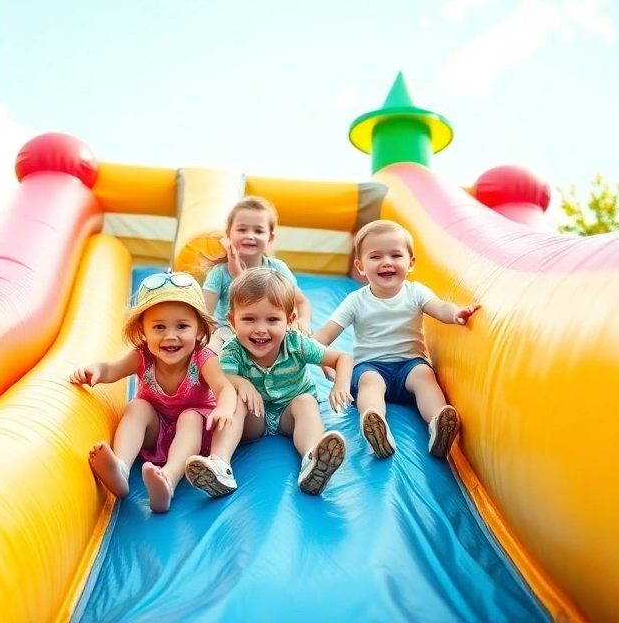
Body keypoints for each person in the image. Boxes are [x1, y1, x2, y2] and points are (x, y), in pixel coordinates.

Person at [69, 271, 237, 513]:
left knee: (190, 416)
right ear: (143, 330)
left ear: (199, 330)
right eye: (159, 327)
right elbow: (111, 369)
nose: (170, 336)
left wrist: (224, 407)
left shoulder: (202, 358)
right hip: (156, 432)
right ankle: (121, 468)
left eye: (182, 326)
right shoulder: (142, 356)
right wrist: (95, 370)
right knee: (137, 406)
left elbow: (225, 388)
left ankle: (168, 479)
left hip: (193, 437)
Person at [315, 220, 480, 460]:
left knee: (425, 376)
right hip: (370, 366)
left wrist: (455, 314)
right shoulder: (356, 300)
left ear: (410, 262)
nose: (387, 262)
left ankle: (438, 423)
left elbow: (440, 308)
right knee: (370, 383)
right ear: (361, 266)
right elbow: (324, 336)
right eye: (376, 257)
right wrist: (311, 353)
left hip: (409, 365)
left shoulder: (416, 292)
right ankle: (375, 426)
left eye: (396, 255)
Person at [184, 266, 350, 497]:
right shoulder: (233, 350)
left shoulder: (297, 343)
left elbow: (343, 358)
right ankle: (219, 464)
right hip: (255, 418)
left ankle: (313, 460)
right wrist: (242, 383)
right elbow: (221, 378)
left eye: (272, 319)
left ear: (290, 320)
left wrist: (340, 385)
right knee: (235, 402)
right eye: (249, 319)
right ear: (231, 321)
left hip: (289, 415)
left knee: (305, 402)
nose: (260, 330)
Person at [202, 196, 313, 353]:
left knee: (298, 339)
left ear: (270, 237)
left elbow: (302, 302)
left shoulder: (277, 269)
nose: (250, 235)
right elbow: (204, 314)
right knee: (209, 348)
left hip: (265, 333)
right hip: (227, 333)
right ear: (228, 235)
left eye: (258, 231)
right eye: (242, 229)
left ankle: (325, 365)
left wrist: (304, 320)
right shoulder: (220, 273)